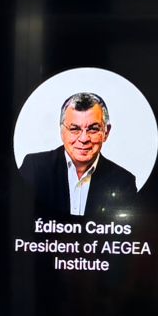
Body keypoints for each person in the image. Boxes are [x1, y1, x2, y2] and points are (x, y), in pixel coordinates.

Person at [17, 91, 138, 220]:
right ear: (62, 131)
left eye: (93, 129)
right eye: (75, 129)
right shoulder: (35, 168)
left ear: (106, 132)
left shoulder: (123, 182)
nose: (84, 138)